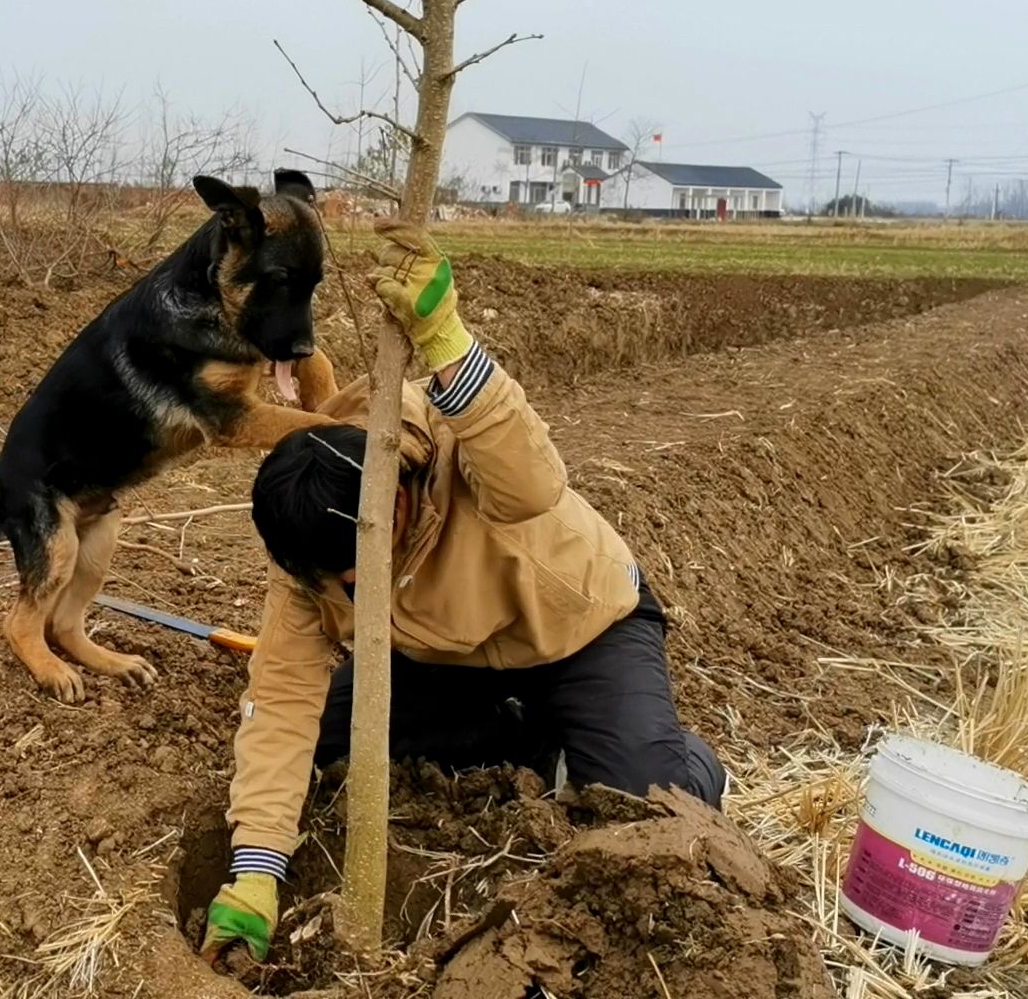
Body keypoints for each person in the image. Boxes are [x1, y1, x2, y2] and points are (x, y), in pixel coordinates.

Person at [199, 224, 726, 965]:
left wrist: (444, 336)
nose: (335, 595)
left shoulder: (447, 440)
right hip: (442, 659)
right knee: (326, 742)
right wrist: (255, 872)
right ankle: (526, 740)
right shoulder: (312, 549)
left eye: (348, 579)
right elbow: (283, 700)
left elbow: (534, 481)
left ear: (390, 511)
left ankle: (680, 761)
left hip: (579, 631)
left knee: (643, 809)